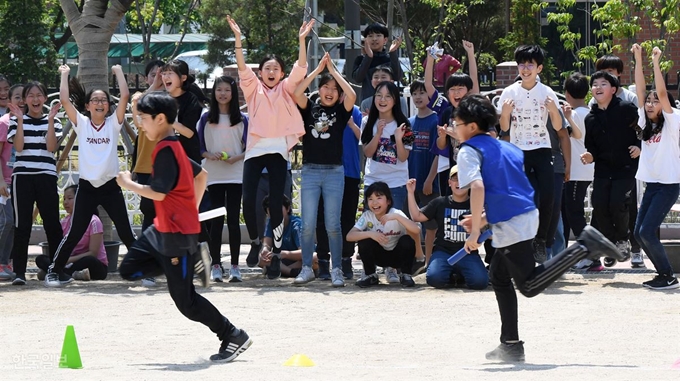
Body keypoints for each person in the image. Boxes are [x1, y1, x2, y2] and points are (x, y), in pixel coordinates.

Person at [454, 94, 624, 363]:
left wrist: (475, 231)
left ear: (472, 127)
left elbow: (477, 187)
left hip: (512, 222)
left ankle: (584, 246)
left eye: (457, 122)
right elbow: (508, 188)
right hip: (523, 214)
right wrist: (484, 218)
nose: (454, 127)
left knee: (530, 285)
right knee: (498, 276)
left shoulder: (468, 151)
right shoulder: (506, 147)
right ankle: (510, 343)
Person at [116, 91, 252, 362]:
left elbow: (159, 193)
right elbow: (202, 175)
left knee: (187, 303)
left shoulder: (167, 150)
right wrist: (190, 209)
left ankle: (232, 334)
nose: (140, 123)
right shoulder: (173, 145)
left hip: (176, 234)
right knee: (129, 268)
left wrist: (128, 184)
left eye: (142, 118)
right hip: (166, 229)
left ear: (161, 118)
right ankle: (194, 257)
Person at [227, 15, 311, 268]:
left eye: (276, 69)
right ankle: (255, 241)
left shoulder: (286, 88)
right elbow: (242, 67)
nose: (271, 72)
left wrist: (301, 40)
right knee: (248, 199)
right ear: (260, 73)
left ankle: (274, 251)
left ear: (282, 73)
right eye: (267, 69)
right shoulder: (253, 89)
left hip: (277, 151)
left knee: (277, 203)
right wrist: (239, 39)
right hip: (255, 150)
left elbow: (302, 68)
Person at [44, 64, 137, 288]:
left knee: (125, 231)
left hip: (110, 187)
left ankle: (143, 270)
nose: (99, 103)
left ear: (108, 106)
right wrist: (65, 75)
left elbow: (125, 95)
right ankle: (53, 272)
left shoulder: (114, 123)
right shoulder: (82, 124)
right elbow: (65, 100)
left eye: (103, 100)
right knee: (74, 233)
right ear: (87, 106)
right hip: (87, 188)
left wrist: (117, 72)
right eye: (94, 100)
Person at [292, 53, 356, 286]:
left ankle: (337, 269)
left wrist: (335, 72)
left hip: (334, 172)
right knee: (308, 224)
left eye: (334, 89)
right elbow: (297, 92)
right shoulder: (309, 107)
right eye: (325, 87)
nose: (329, 91)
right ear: (319, 90)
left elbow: (353, 95)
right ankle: (307, 268)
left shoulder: (341, 111)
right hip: (309, 170)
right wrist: (317, 71)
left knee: (333, 225)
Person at [497, 45, 563, 263]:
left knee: (548, 196)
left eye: (530, 65)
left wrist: (553, 109)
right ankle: (521, 241)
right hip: (518, 151)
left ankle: (541, 240)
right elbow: (503, 127)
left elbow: (557, 125)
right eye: (522, 64)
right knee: (522, 197)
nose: (525, 69)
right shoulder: (509, 92)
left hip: (542, 149)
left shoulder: (546, 92)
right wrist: (505, 113)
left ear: (539, 68)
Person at [631, 44, 679, 289]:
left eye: (655, 102)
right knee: (639, 233)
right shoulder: (643, 121)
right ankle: (663, 274)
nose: (650, 104)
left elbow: (661, 92)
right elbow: (641, 89)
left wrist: (656, 62)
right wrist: (638, 58)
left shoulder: (673, 122)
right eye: (648, 102)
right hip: (653, 184)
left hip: (669, 186)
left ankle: (668, 276)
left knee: (647, 231)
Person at [6, 82, 63, 286]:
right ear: (25, 100)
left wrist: (49, 121)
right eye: (30, 95)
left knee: (52, 224)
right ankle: (19, 272)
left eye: (39, 95)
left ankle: (57, 271)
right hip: (22, 177)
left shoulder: (53, 122)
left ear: (45, 98)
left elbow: (51, 147)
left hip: (46, 176)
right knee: (22, 225)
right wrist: (20, 121)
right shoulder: (15, 121)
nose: (35, 99)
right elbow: (19, 147)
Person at [581, 71, 639, 265]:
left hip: (626, 167)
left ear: (613, 90)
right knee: (599, 205)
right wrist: (590, 156)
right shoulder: (590, 118)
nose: (598, 87)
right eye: (595, 84)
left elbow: (642, 131)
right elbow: (592, 147)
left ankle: (623, 240)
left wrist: (639, 147)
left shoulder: (627, 109)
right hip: (604, 169)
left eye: (603, 84)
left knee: (617, 203)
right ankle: (610, 244)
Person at [197, 76, 248, 283]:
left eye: (227, 90)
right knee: (215, 222)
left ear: (233, 93)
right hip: (214, 176)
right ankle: (216, 266)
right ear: (214, 92)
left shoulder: (243, 119)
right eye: (219, 90)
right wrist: (209, 155)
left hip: (236, 175)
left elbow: (249, 148)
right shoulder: (205, 118)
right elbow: (200, 148)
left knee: (234, 221)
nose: (223, 93)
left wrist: (236, 157)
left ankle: (235, 267)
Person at [406, 166, 488, 290]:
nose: (459, 182)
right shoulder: (440, 202)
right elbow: (416, 216)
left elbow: (490, 228)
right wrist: (410, 193)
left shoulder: (476, 204)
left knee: (480, 282)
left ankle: (460, 274)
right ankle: (452, 274)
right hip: (443, 252)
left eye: (463, 179)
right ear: (449, 183)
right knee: (435, 279)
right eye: (455, 179)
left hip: (468, 253)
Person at [429, 41, 479, 196]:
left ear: (468, 91)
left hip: (474, 167)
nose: (456, 93)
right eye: (452, 89)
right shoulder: (446, 112)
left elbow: (474, 82)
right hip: (452, 168)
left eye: (460, 89)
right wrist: (443, 135)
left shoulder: (474, 110)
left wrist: (470, 54)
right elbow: (441, 145)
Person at [347, 181, 420, 288]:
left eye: (379, 198)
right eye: (370, 199)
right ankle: (371, 275)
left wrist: (397, 217)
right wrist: (371, 234)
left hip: (397, 256)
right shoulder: (367, 216)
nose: (374, 203)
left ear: (388, 201)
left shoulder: (396, 213)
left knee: (407, 240)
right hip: (379, 256)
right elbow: (349, 236)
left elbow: (416, 230)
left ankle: (406, 275)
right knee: (364, 239)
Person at [562, 73, 599, 271]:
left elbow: (572, 136)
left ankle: (591, 255)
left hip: (575, 172)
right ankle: (582, 254)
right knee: (573, 213)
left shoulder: (573, 115)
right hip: (589, 170)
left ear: (567, 94)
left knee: (574, 214)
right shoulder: (592, 113)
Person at [35, 185, 108, 281]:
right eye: (64, 199)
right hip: (68, 262)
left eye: (69, 198)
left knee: (90, 261)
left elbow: (93, 253)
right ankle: (72, 274)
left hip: (91, 264)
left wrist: (67, 260)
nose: (65, 202)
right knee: (40, 259)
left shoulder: (94, 221)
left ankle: (51, 272)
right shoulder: (64, 222)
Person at [361, 81, 412, 212]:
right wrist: (378, 133)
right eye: (379, 95)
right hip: (372, 181)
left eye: (388, 96)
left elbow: (403, 157)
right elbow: (367, 153)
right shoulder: (366, 121)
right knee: (371, 226)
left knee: (393, 228)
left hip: (396, 183)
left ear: (395, 100)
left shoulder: (406, 125)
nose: (382, 100)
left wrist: (399, 139)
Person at [407, 79, 440, 270]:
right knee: (411, 221)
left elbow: (438, 153)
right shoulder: (409, 122)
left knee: (431, 225)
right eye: (415, 94)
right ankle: (415, 260)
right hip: (411, 180)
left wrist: (430, 179)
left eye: (422, 92)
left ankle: (429, 262)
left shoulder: (436, 120)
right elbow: (406, 151)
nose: (419, 97)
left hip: (429, 182)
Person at [259, 195, 314, 278]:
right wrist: (265, 250)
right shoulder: (270, 222)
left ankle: (281, 270)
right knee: (258, 258)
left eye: (278, 209)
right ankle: (290, 271)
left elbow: (305, 252)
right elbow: (267, 244)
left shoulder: (296, 225)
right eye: (271, 210)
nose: (275, 213)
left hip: (298, 259)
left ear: (288, 208)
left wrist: (284, 254)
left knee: (315, 258)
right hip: (282, 260)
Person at [160, 59, 203, 164]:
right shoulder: (161, 98)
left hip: (188, 158)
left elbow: (188, 133)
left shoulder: (191, 99)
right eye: (164, 73)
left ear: (183, 77)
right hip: (166, 156)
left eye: (170, 73)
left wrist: (168, 119)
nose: (166, 77)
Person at [0, 83, 22, 281]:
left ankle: (6, 262)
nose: (21, 100)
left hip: (20, 181)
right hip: (4, 183)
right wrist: (1, 181)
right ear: (10, 100)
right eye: (17, 96)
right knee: (5, 221)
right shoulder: (4, 123)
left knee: (15, 224)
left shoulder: (28, 122)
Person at [352, 23, 403, 102]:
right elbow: (358, 78)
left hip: (388, 103)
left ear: (385, 40)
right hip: (368, 104)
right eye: (370, 36)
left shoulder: (389, 58)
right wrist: (368, 57)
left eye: (378, 35)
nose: (374, 39)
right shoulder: (360, 59)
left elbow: (398, 77)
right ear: (366, 40)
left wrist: (393, 53)